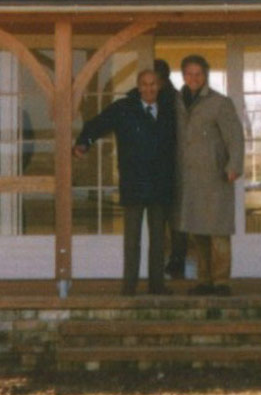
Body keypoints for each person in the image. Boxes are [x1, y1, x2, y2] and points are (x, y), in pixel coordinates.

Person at [74, 68, 177, 296]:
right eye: (144, 84)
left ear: (159, 86)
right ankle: (129, 288)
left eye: (153, 84)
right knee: (132, 240)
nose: (149, 88)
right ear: (138, 87)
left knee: (159, 240)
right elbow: (97, 124)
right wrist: (84, 142)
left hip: (161, 184)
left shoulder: (170, 110)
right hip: (134, 183)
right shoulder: (124, 108)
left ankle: (157, 286)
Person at [174, 54, 244, 296]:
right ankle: (204, 281)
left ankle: (221, 281)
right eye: (189, 74)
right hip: (190, 179)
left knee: (218, 232)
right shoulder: (177, 103)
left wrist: (234, 165)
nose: (193, 78)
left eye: (198, 74)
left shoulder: (220, 103)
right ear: (183, 76)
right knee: (198, 232)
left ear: (205, 76)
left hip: (216, 178)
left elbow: (235, 137)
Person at [152, 58, 189, 280]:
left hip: (171, 166)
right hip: (170, 166)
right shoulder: (176, 98)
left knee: (170, 218)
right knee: (173, 219)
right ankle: (175, 260)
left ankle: (174, 261)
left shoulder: (172, 101)